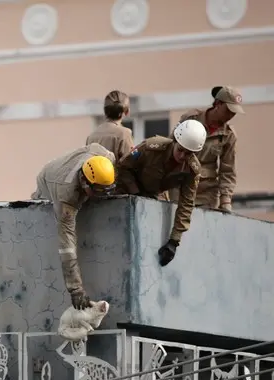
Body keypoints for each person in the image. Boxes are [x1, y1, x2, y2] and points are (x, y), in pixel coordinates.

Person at [31, 143, 116, 310]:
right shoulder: (67, 197)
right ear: (85, 183)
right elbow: (67, 246)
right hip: (49, 179)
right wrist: (75, 289)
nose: (102, 196)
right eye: (98, 191)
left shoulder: (105, 158)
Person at [115, 120, 207, 267]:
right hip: (128, 191)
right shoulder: (152, 147)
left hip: (154, 196)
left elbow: (186, 204)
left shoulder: (192, 170)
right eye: (180, 150)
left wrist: (174, 241)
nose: (182, 156)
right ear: (175, 141)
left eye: (188, 153)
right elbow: (123, 166)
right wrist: (136, 193)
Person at [171, 85, 244, 211]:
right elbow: (171, 147)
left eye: (234, 112)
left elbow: (228, 170)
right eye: (228, 110)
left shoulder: (229, 135)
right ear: (217, 104)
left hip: (206, 193)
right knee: (178, 226)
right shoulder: (191, 119)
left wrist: (225, 200)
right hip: (180, 186)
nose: (231, 115)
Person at [86, 90, 134, 163]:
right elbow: (130, 165)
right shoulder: (124, 134)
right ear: (127, 112)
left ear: (105, 111)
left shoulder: (91, 136)